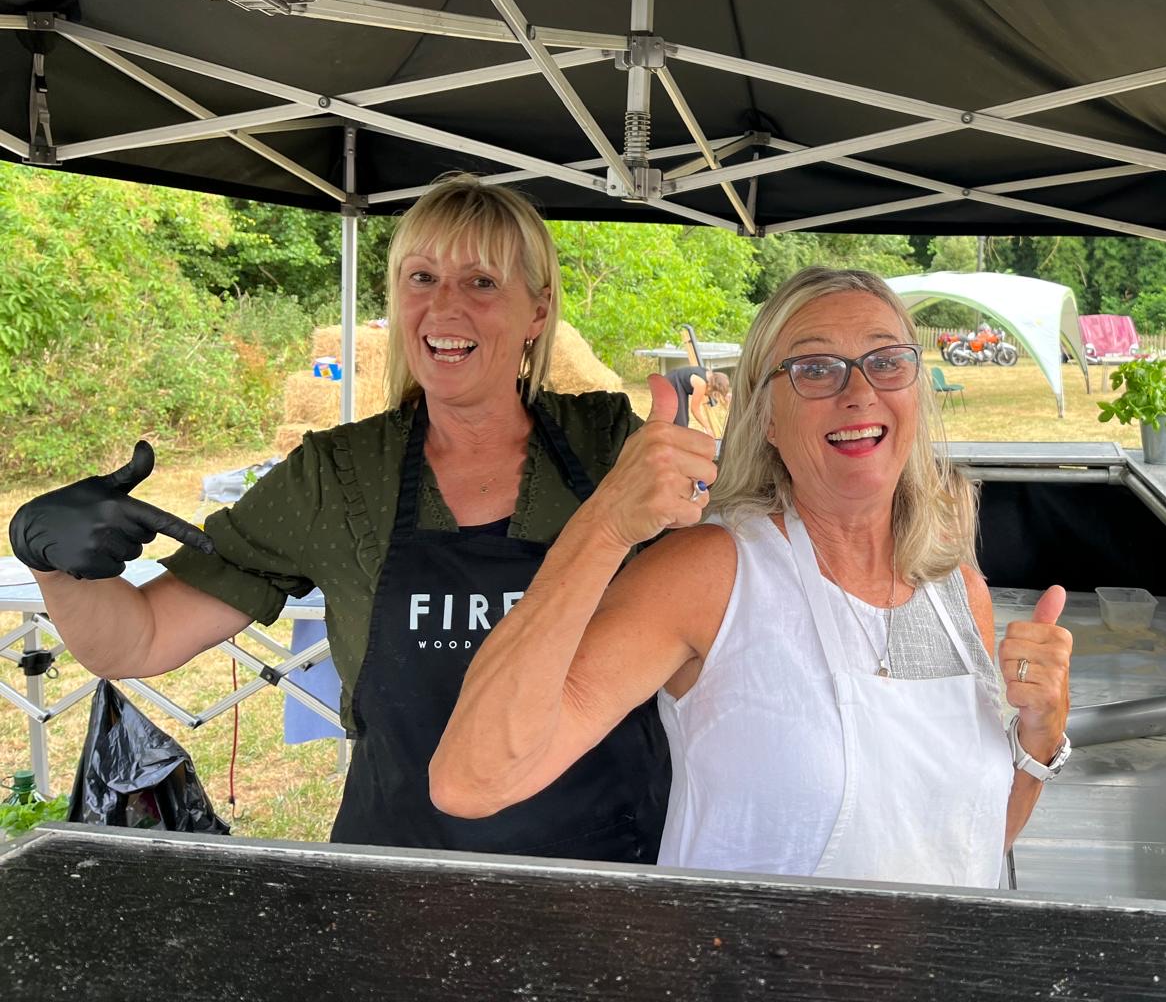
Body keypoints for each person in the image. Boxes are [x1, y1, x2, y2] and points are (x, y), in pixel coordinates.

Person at [6, 175, 712, 861]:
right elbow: (138, 639)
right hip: (399, 869)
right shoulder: (340, 475)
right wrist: (52, 560)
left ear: (538, 310)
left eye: (481, 282)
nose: (444, 308)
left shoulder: (609, 449)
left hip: (613, 866)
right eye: (422, 278)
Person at [432, 267, 1074, 888]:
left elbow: (969, 843)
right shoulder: (712, 574)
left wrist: (1042, 738)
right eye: (814, 368)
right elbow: (473, 779)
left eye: (885, 361)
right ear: (766, 417)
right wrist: (603, 527)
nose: (858, 391)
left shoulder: (957, 596)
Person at [664, 365, 731, 434]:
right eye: (713, 394)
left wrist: (725, 394)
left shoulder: (710, 376)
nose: (711, 396)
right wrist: (707, 427)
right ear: (711, 387)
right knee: (680, 423)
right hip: (671, 383)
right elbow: (695, 410)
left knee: (683, 422)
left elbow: (720, 386)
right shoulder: (701, 384)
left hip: (679, 384)